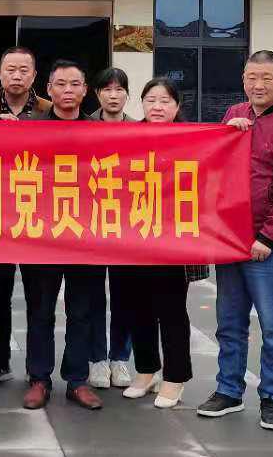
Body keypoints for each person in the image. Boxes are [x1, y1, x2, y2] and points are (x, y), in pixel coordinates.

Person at [197, 50, 273, 430]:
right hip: (231, 238)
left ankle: (272, 398)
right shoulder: (235, 113)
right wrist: (225, 134)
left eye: (266, 77)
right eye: (251, 77)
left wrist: (268, 237)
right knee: (229, 323)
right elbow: (213, 164)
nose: (258, 85)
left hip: (269, 246)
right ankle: (228, 390)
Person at [117, 78, 210, 408]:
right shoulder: (127, 137)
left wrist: (236, 128)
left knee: (171, 311)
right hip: (133, 238)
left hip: (174, 241)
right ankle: (146, 370)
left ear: (177, 106)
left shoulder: (193, 138)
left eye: (165, 101)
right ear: (141, 103)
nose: (157, 107)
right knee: (137, 309)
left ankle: (175, 377)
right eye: (151, 100)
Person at [20, 59, 106, 411]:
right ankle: (39, 378)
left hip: (85, 237)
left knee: (82, 312)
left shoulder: (101, 132)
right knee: (39, 311)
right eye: (60, 84)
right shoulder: (30, 128)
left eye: (74, 84)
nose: (67, 90)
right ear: (48, 89)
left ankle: (77, 380)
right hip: (41, 235)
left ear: (85, 90)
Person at [0, 46, 51, 387]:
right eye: (11, 69)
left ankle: (39, 373)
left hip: (38, 216)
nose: (17, 75)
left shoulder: (49, 111)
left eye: (24, 70)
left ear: (34, 75)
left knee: (40, 301)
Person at [86, 65, 136, 390]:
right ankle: (97, 359)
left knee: (125, 296)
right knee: (92, 296)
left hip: (127, 227)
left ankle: (119, 357)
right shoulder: (83, 127)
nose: (113, 95)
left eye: (119, 90)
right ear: (97, 94)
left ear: (127, 95)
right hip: (90, 225)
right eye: (107, 89)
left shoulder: (140, 129)